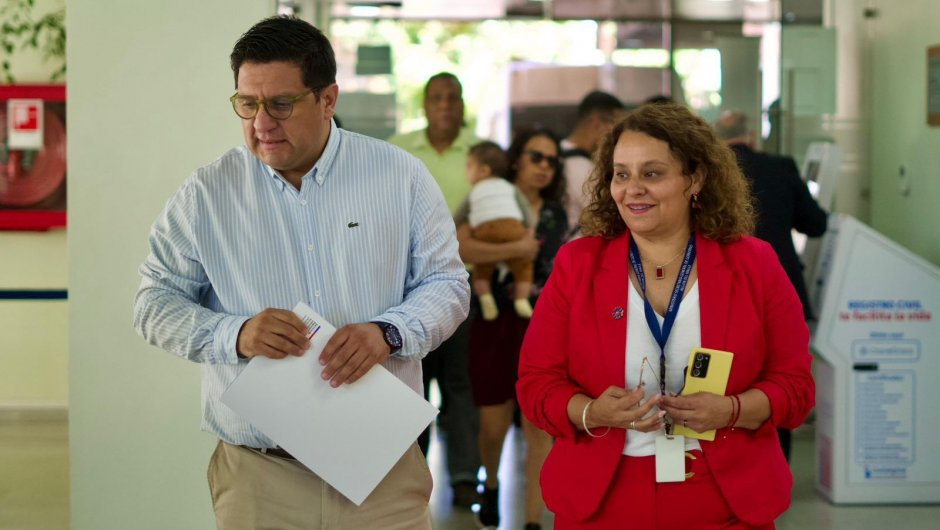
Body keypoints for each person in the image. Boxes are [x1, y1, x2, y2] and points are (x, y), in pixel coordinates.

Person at [133, 16, 470, 529]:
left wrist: (389, 333)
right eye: (247, 104)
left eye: (281, 104)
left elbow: (447, 285)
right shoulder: (207, 195)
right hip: (259, 475)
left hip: (381, 469)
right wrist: (236, 334)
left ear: (328, 99)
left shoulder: (399, 177)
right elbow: (153, 304)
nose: (261, 123)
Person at [516, 102, 815, 528]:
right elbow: (536, 384)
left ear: (695, 179)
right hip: (601, 503)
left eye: (652, 173)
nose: (632, 189)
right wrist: (591, 412)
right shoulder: (577, 265)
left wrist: (731, 410)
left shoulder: (754, 264)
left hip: (727, 503)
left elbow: (796, 388)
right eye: (621, 174)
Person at [458, 128, 568, 530]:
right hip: (492, 321)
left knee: (539, 425)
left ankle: (533, 522)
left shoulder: (554, 214)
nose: (544, 166)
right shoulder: (488, 194)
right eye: (536, 156)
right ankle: (490, 483)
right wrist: (515, 249)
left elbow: (550, 264)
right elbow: (463, 247)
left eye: (552, 160)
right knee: (493, 425)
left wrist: (510, 251)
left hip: (542, 324)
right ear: (517, 158)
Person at [387, 72, 488, 508]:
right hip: (406, 294)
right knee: (412, 387)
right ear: (425, 105)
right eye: (437, 98)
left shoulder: (481, 152)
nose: (445, 105)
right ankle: (413, 476)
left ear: (462, 104)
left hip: (465, 288)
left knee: (461, 385)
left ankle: (465, 479)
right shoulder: (397, 149)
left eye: (453, 98)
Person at [715, 109, 828, 460]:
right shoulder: (781, 167)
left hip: (722, 290)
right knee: (781, 381)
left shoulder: (707, 172)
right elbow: (816, 224)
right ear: (751, 135)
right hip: (782, 287)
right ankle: (779, 468)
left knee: (727, 382)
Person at [458, 140, 535, 321]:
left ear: (484, 170)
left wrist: (451, 226)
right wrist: (530, 228)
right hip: (513, 229)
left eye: (469, 166)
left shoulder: (474, 191)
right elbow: (525, 208)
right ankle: (522, 299)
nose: (467, 171)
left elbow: (460, 214)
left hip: (484, 232)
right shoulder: (509, 187)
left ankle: (486, 297)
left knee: (482, 268)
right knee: (523, 267)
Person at [561, 91, 626, 235]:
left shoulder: (556, 153)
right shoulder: (583, 168)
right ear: (595, 123)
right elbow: (603, 219)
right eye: (615, 127)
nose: (617, 136)